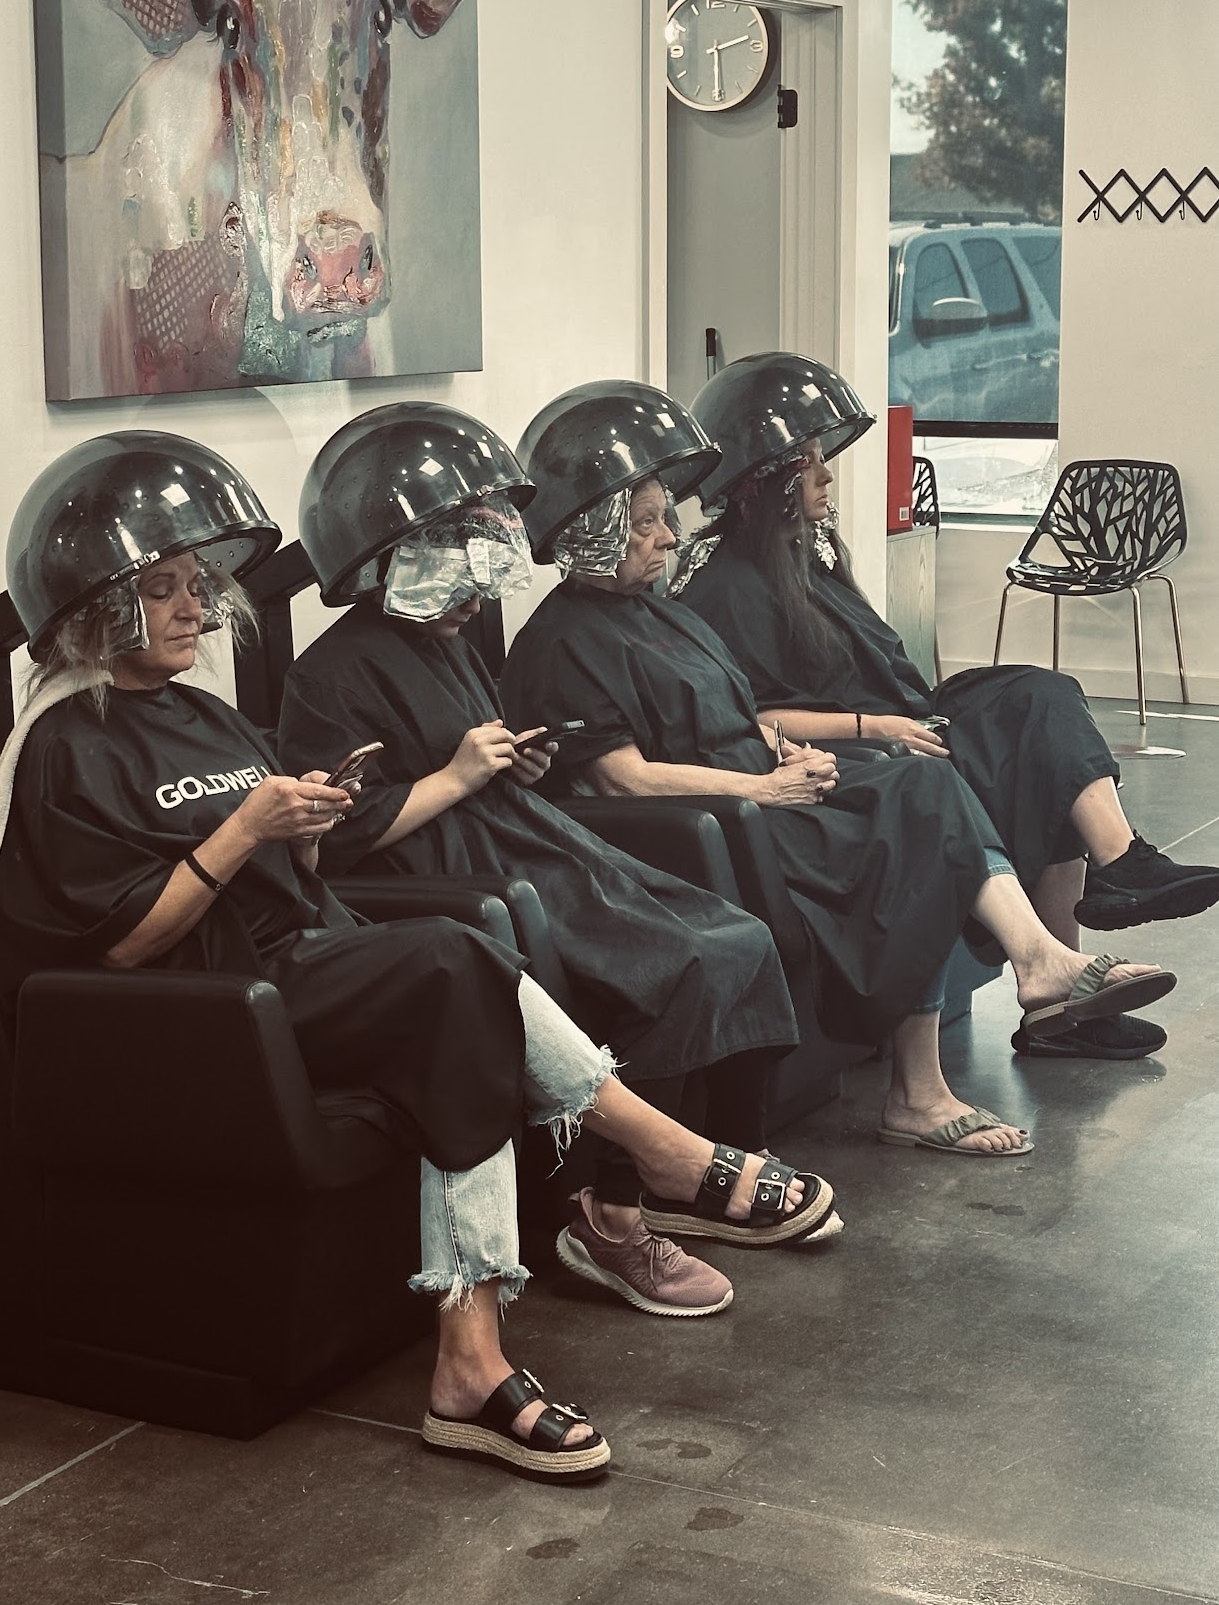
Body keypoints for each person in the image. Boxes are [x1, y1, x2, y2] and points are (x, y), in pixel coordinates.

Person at [0, 430, 816, 1486]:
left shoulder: (199, 711)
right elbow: (125, 942)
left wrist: (305, 826)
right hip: (211, 1001)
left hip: (296, 953)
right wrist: (243, 831)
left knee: (461, 1001)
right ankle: (661, 1155)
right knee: (455, 962)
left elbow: (286, 868)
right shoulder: (66, 746)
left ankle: (472, 1359)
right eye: (165, 589)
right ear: (94, 604)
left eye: (199, 585)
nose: (198, 608)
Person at [500, 382, 1179, 1158]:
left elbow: (737, 716)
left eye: (665, 517)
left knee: (925, 785)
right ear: (591, 532)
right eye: (645, 523)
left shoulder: (660, 613)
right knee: (910, 827)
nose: (669, 537)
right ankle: (931, 1080)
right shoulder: (562, 643)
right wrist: (762, 786)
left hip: (762, 796)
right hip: (713, 833)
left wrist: (783, 752)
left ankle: (1036, 965)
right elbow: (619, 781)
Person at [276, 403, 836, 1318]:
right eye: (456, 581)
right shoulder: (329, 675)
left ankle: (715, 1162)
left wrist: (514, 764)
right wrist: (459, 776)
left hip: (525, 833)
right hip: (449, 874)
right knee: (675, 961)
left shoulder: (449, 646)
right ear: (393, 564)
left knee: (736, 934)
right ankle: (611, 1216)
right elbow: (338, 837)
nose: (474, 603)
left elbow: (479, 753)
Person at [679, 352, 1219, 1063]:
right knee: (1029, 755)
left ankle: (1120, 869)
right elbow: (753, 721)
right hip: (859, 749)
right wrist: (876, 726)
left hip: (909, 718)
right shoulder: (725, 589)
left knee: (1042, 697)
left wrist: (904, 716)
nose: (827, 474)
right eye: (808, 463)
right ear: (769, 481)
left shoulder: (808, 558)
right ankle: (1059, 990)